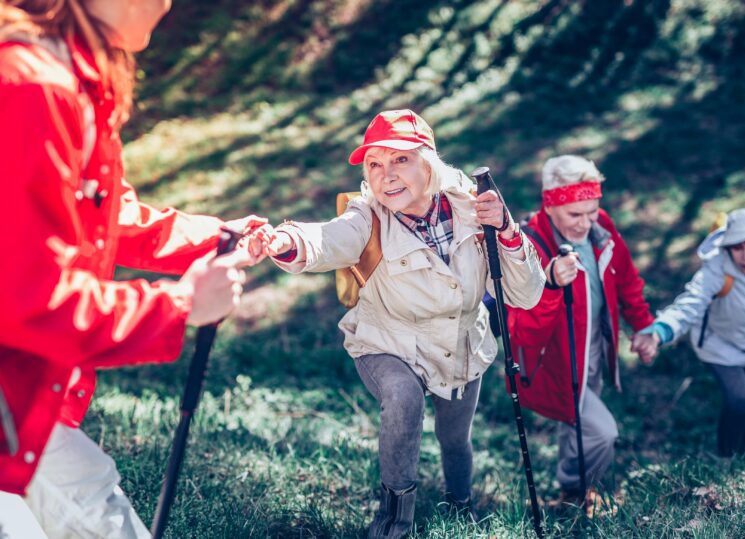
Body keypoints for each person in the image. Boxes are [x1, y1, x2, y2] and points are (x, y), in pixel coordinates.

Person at [0, 1, 266, 537]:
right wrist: (181, 304)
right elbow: (32, 300)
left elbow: (103, 213)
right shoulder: (35, 87)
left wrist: (214, 239)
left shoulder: (68, 77)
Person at [254, 109, 544, 538]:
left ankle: (459, 505)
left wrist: (505, 229)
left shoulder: (471, 206)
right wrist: (286, 240)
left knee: (454, 437)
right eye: (374, 164)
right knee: (404, 396)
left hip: (461, 342)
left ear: (428, 161)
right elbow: (330, 239)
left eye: (399, 160)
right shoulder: (366, 216)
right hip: (387, 339)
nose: (385, 175)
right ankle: (394, 522)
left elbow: (526, 293)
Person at [506, 155, 655, 514]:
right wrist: (553, 284)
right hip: (553, 365)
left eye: (591, 211)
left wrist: (643, 326)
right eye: (575, 215)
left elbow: (627, 280)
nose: (586, 223)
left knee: (577, 427)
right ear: (551, 205)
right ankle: (576, 488)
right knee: (602, 432)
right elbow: (521, 332)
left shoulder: (601, 226)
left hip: (593, 353)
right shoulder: (529, 246)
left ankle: (571, 488)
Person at [632, 208, 745, 457]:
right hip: (722, 347)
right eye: (738, 248)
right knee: (741, 401)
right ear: (727, 247)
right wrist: (659, 332)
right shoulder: (717, 267)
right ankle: (725, 459)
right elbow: (689, 304)